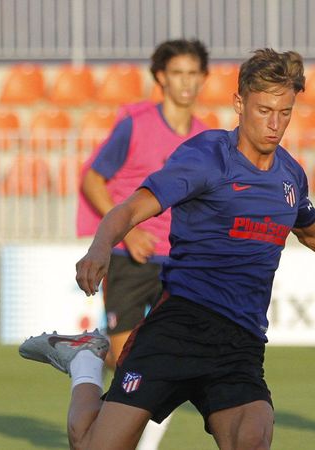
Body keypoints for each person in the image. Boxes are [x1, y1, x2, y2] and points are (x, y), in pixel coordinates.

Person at [19, 48, 315, 450]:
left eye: (284, 112)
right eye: (264, 110)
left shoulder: (290, 175)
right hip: (179, 327)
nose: (274, 124)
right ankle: (86, 363)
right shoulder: (206, 157)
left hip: (241, 343)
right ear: (239, 103)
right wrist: (100, 246)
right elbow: (131, 207)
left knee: (252, 439)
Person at [76, 38, 209, 450]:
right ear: (161, 77)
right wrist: (128, 231)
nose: (185, 82)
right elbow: (92, 181)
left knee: (173, 361)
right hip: (131, 256)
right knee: (126, 360)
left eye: (193, 73)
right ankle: (86, 362)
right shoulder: (135, 124)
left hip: (182, 262)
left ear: (203, 78)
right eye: (177, 73)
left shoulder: (208, 138)